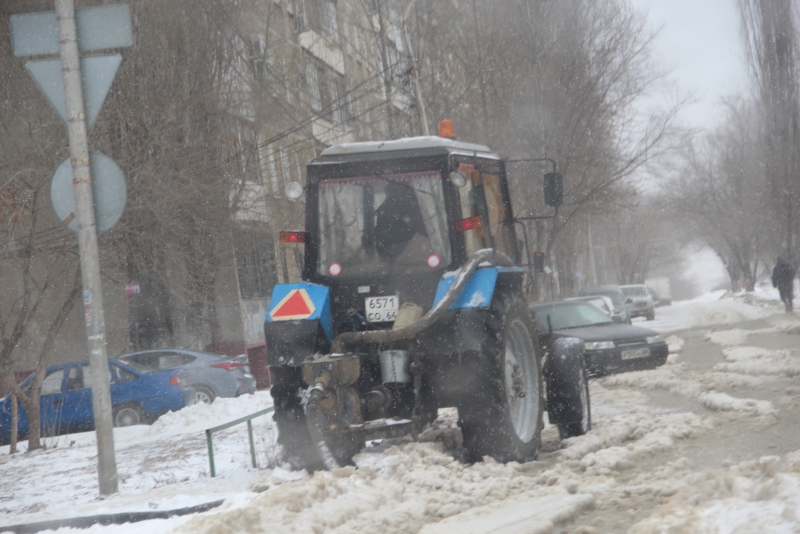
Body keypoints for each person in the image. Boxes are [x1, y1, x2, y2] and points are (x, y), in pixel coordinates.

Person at [374, 181, 428, 262]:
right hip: (399, 254)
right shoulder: (417, 207)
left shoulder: (387, 210)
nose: (388, 198)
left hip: (396, 253)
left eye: (389, 194)